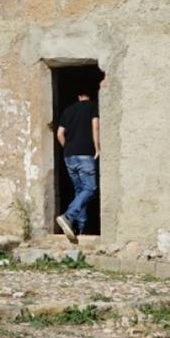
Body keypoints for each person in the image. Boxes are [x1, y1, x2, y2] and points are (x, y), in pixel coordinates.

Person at [54, 74, 103, 239]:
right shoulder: (92, 107)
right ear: (90, 94)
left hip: (69, 156)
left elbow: (60, 134)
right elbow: (95, 127)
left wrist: (67, 147)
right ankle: (68, 216)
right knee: (90, 189)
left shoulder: (68, 110)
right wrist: (97, 148)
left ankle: (80, 230)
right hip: (85, 154)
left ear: (78, 95)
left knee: (80, 191)